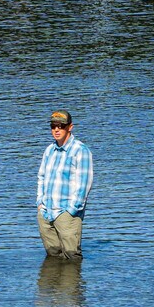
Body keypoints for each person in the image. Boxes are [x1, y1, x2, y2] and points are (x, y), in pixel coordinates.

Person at [37, 110, 93, 259]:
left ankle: (72, 283)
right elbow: (41, 177)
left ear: (70, 127)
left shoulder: (80, 151)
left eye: (61, 126)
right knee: (52, 257)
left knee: (72, 258)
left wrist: (71, 210)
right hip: (46, 212)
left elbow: (84, 185)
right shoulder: (49, 150)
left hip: (67, 214)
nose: (56, 129)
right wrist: (40, 204)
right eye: (53, 126)